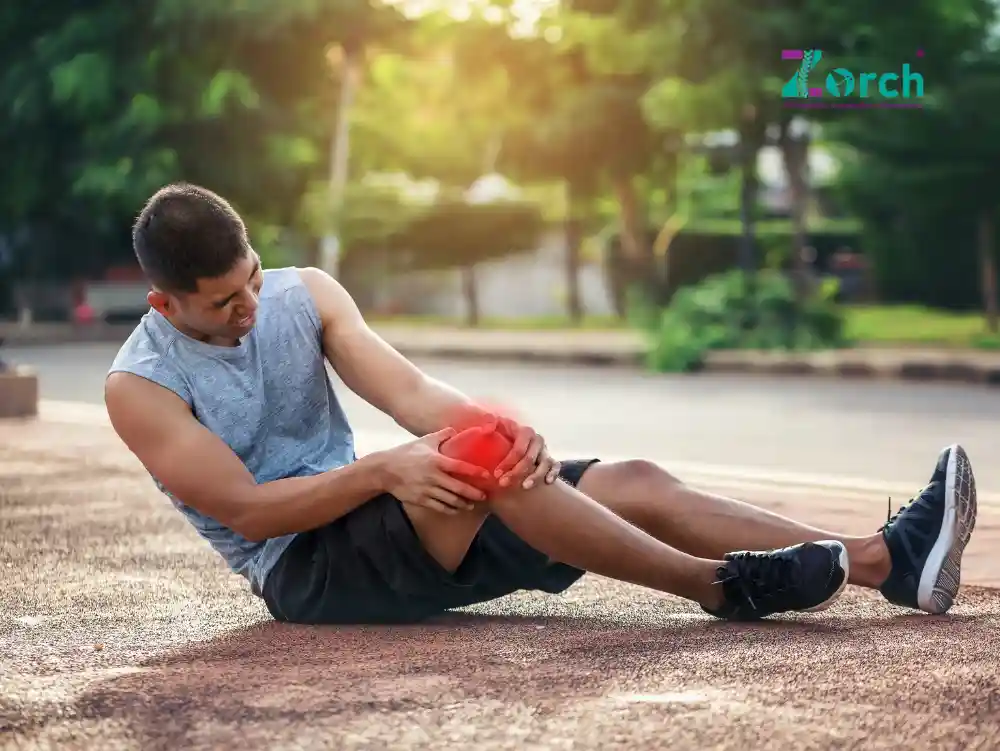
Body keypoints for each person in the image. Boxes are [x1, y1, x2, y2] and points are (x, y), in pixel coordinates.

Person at [105, 183, 978, 625]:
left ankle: (883, 562)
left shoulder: (307, 294)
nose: (251, 307)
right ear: (166, 303)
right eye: (225, 303)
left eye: (253, 279)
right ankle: (721, 587)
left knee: (622, 475)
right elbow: (251, 514)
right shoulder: (139, 385)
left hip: (402, 519)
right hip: (309, 571)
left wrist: (497, 429)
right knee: (480, 470)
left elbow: (410, 393)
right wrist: (386, 472)